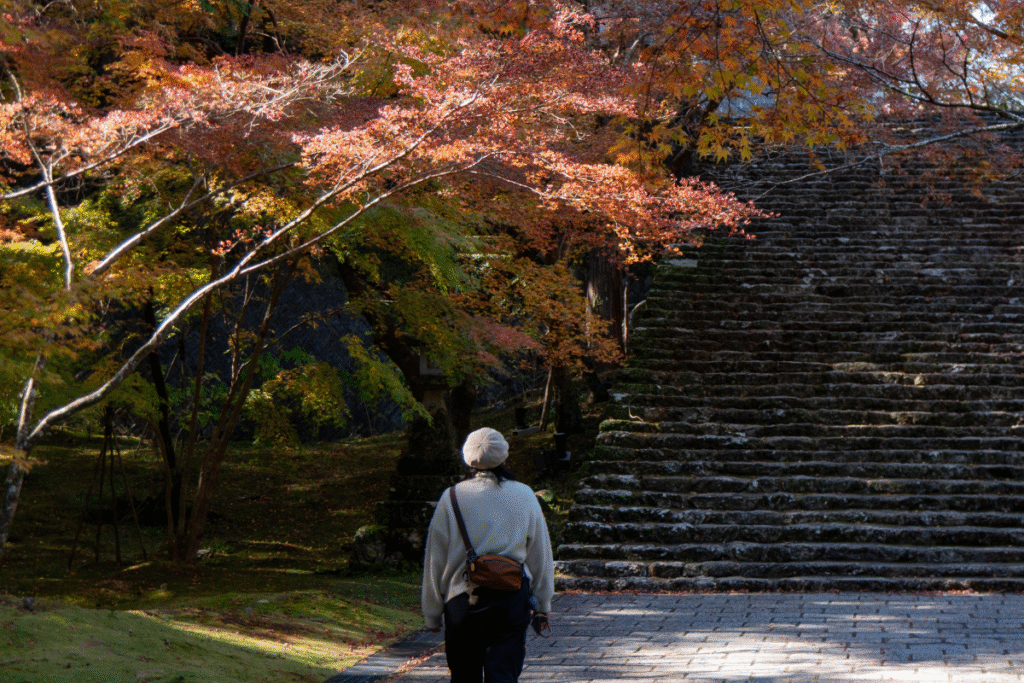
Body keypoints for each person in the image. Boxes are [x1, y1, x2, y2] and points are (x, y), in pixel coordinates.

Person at [421, 427, 555, 683]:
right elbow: (541, 554)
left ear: (468, 457)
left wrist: (432, 612)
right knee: (503, 673)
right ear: (504, 458)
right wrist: (543, 603)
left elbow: (434, 559)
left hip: (462, 599)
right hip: (511, 596)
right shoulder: (524, 495)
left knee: (464, 675)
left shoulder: (451, 497)